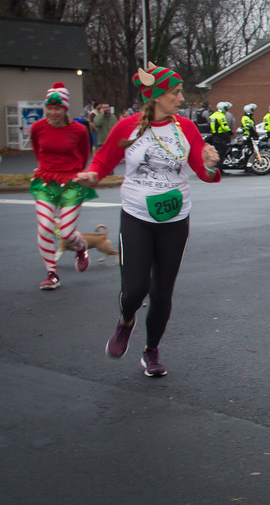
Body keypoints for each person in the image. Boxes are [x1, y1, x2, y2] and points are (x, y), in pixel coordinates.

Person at [75, 62, 221, 378]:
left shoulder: (187, 129)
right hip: (137, 217)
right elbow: (104, 159)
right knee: (135, 289)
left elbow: (202, 172)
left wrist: (209, 164)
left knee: (162, 291)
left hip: (174, 220)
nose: (181, 99)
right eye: (176, 93)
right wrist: (92, 174)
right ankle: (127, 319)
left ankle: (151, 349)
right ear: (156, 96)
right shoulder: (128, 127)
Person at [29, 82, 96, 290]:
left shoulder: (78, 130)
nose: (52, 112)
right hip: (45, 183)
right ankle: (52, 273)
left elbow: (85, 155)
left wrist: (76, 175)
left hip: (72, 183)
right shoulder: (37, 127)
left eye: (57, 108)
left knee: (66, 232)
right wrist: (44, 170)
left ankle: (80, 246)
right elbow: (37, 149)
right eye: (49, 108)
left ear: (65, 109)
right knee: (45, 228)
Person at [209, 101, 233, 170]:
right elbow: (224, 126)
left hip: (214, 136)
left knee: (218, 151)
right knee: (222, 152)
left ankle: (217, 166)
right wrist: (229, 131)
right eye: (225, 108)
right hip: (221, 136)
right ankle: (219, 168)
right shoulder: (221, 116)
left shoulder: (213, 115)